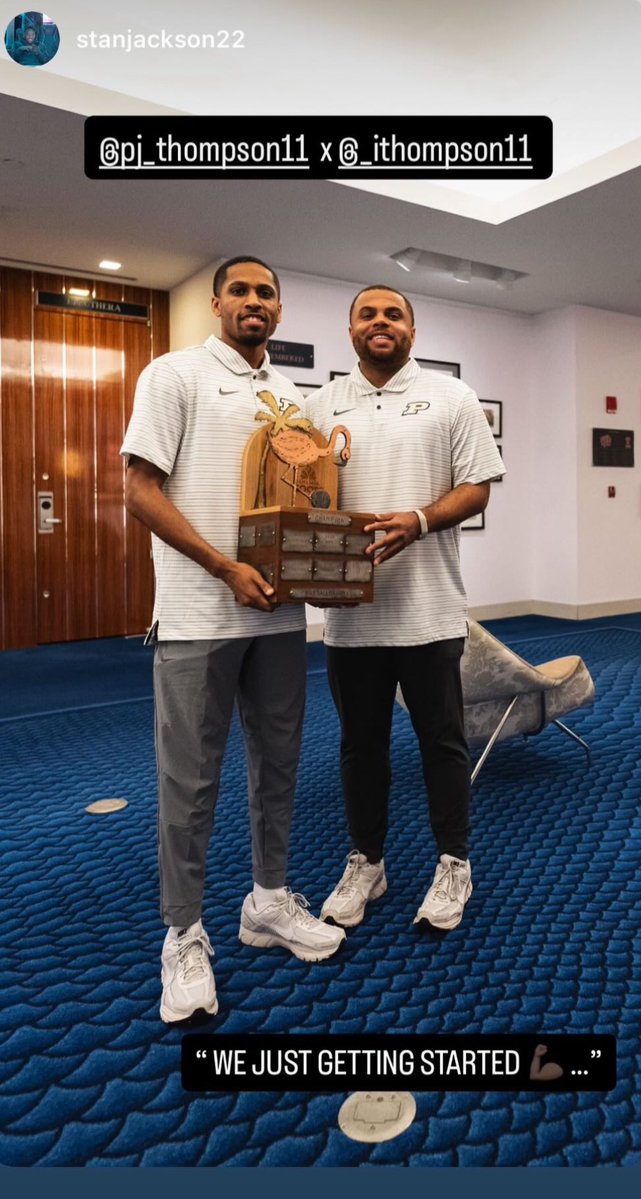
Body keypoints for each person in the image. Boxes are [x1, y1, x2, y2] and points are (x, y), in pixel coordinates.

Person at [121, 256, 344, 1025]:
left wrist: (317, 566)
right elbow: (138, 488)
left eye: (267, 292)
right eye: (241, 290)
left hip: (279, 617)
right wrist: (222, 567)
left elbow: (305, 504)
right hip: (196, 616)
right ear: (218, 302)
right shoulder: (174, 375)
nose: (255, 301)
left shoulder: (291, 398)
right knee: (190, 784)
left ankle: (268, 900)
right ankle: (183, 934)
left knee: (278, 766)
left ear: (279, 309)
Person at [305, 285, 504, 934]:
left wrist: (419, 520)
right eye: (368, 314)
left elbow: (476, 487)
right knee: (360, 748)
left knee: (441, 745)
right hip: (351, 617)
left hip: (428, 611)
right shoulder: (320, 405)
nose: (380, 322)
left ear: (412, 330)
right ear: (351, 329)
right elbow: (303, 499)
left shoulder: (452, 397)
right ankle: (367, 861)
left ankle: (453, 863)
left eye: (393, 314)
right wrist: (301, 561)